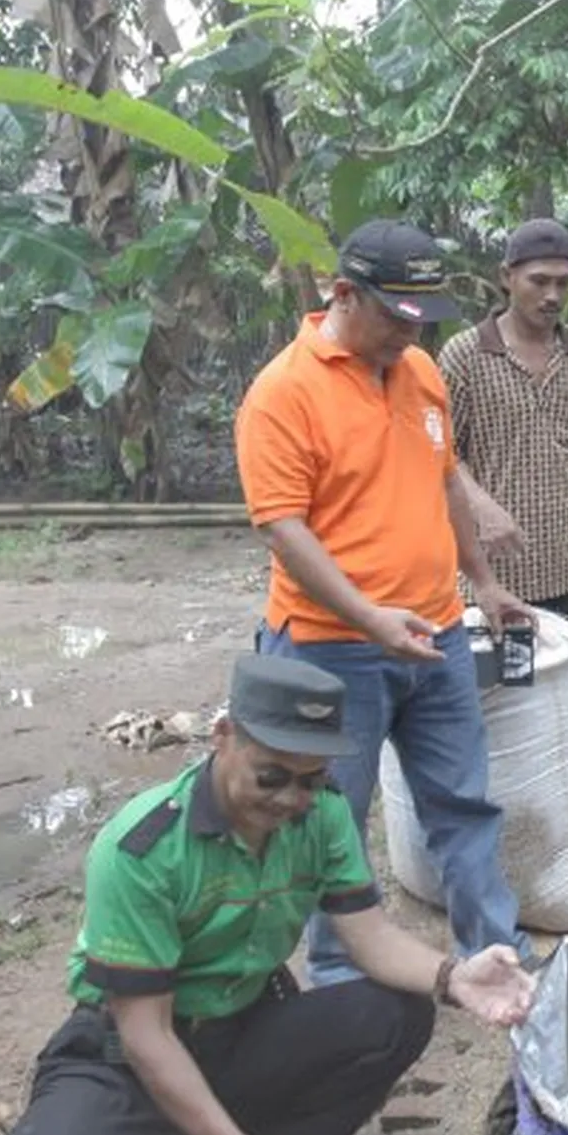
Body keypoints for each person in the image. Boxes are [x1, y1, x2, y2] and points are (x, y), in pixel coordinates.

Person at [0, 655, 535, 1135]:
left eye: (310, 779)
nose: (291, 799)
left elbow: (369, 938)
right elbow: (146, 1037)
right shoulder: (143, 850)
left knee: (395, 1011)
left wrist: (454, 977)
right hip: (129, 1055)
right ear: (223, 737)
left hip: (246, 1023)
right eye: (272, 777)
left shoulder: (322, 813)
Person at [235, 219, 536, 978]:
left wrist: (486, 585)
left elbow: (444, 483)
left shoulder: (419, 374)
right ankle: (341, 971)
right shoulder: (283, 393)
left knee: (464, 800)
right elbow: (283, 529)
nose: (411, 334)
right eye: (397, 317)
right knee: (330, 812)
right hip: (329, 650)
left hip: (433, 635)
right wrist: (369, 617)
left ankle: (494, 951)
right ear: (343, 294)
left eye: (421, 320)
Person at [437, 218, 568, 654]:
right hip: (491, 572)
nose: (552, 296)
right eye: (538, 281)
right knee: (500, 697)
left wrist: (548, 473)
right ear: (507, 277)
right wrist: (483, 505)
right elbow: (438, 452)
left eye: (564, 283)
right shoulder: (464, 355)